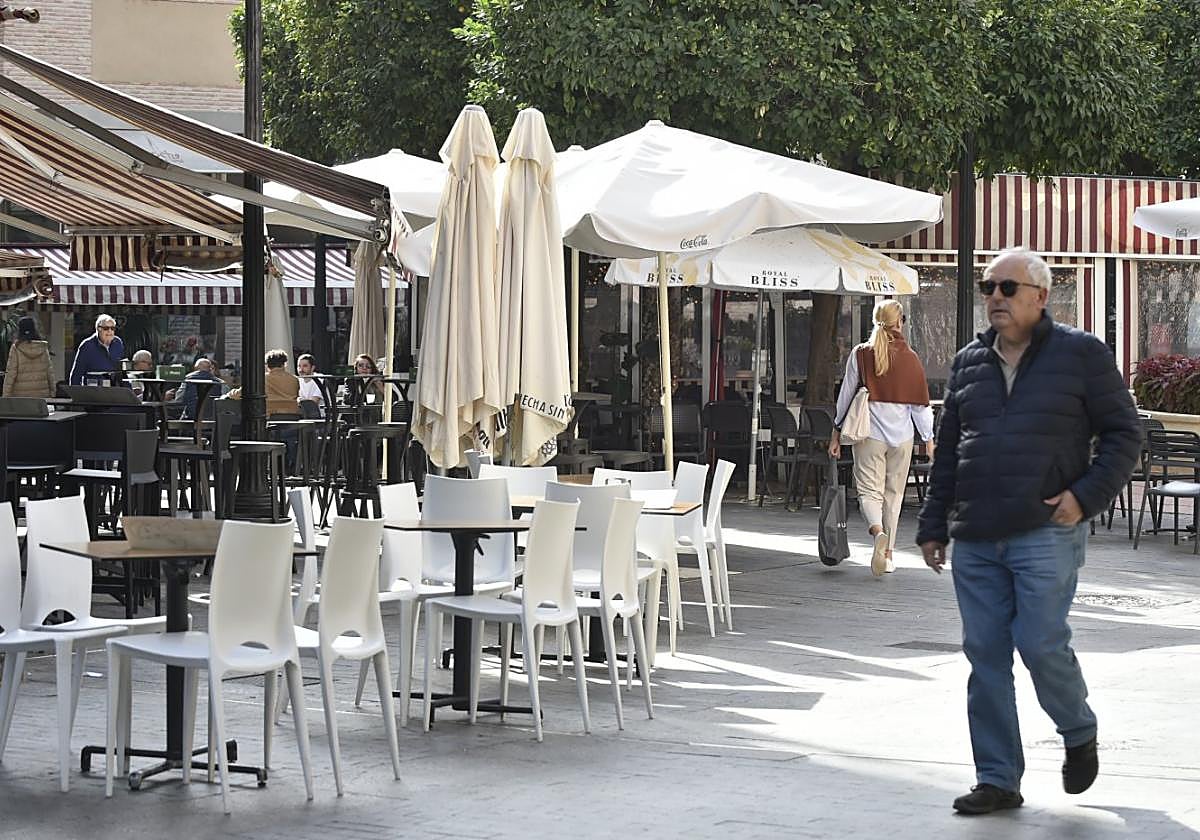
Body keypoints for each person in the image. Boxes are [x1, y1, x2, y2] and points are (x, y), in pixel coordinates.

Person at [916, 248, 1141, 815]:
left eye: (1008, 287)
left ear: (1041, 296)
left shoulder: (1081, 354)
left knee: (1040, 643)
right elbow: (950, 452)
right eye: (989, 286)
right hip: (976, 536)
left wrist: (1085, 496)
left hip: (1046, 529)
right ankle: (997, 778)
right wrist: (933, 524)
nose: (995, 296)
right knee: (985, 655)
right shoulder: (968, 362)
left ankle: (1078, 729)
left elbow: (1124, 434)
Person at [830, 299, 934, 577]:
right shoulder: (911, 358)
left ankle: (877, 533)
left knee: (868, 492)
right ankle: (887, 555)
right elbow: (920, 407)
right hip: (903, 438)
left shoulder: (861, 354)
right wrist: (929, 439)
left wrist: (836, 432)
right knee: (894, 496)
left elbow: (846, 396)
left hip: (869, 435)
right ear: (899, 322)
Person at [2, 315, 55, 398]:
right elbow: (49, 372)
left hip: (21, 397)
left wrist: (6, 396)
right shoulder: (42, 347)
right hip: (42, 395)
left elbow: (11, 374)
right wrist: (52, 392)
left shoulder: (16, 348)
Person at [69, 314, 125, 386]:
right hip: (93, 389)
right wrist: (76, 392)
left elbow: (122, 370)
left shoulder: (118, 343)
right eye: (106, 328)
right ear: (98, 329)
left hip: (114, 388)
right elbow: (76, 375)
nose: (110, 331)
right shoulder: (87, 346)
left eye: (112, 328)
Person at [296, 353, 324, 417]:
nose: (301, 369)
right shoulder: (297, 380)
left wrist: (299, 401)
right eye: (299, 366)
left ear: (312, 367)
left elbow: (312, 403)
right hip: (303, 416)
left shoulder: (320, 379)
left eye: (305, 366)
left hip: (321, 417)